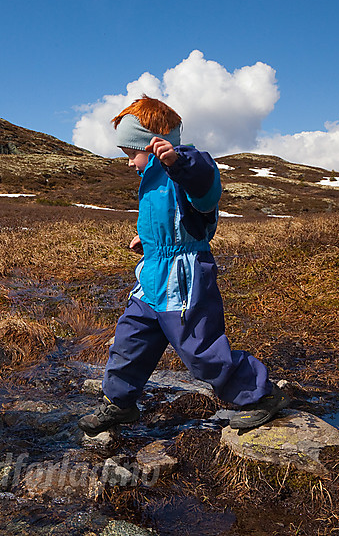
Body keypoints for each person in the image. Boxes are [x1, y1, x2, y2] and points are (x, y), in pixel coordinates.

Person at [78, 96, 289, 436]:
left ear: (151, 143)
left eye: (131, 154)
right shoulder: (151, 176)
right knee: (130, 340)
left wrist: (177, 162)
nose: (130, 163)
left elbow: (205, 191)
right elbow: (168, 221)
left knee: (200, 348)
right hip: (152, 275)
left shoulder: (189, 165)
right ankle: (120, 403)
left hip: (185, 278)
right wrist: (146, 242)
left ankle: (260, 395)